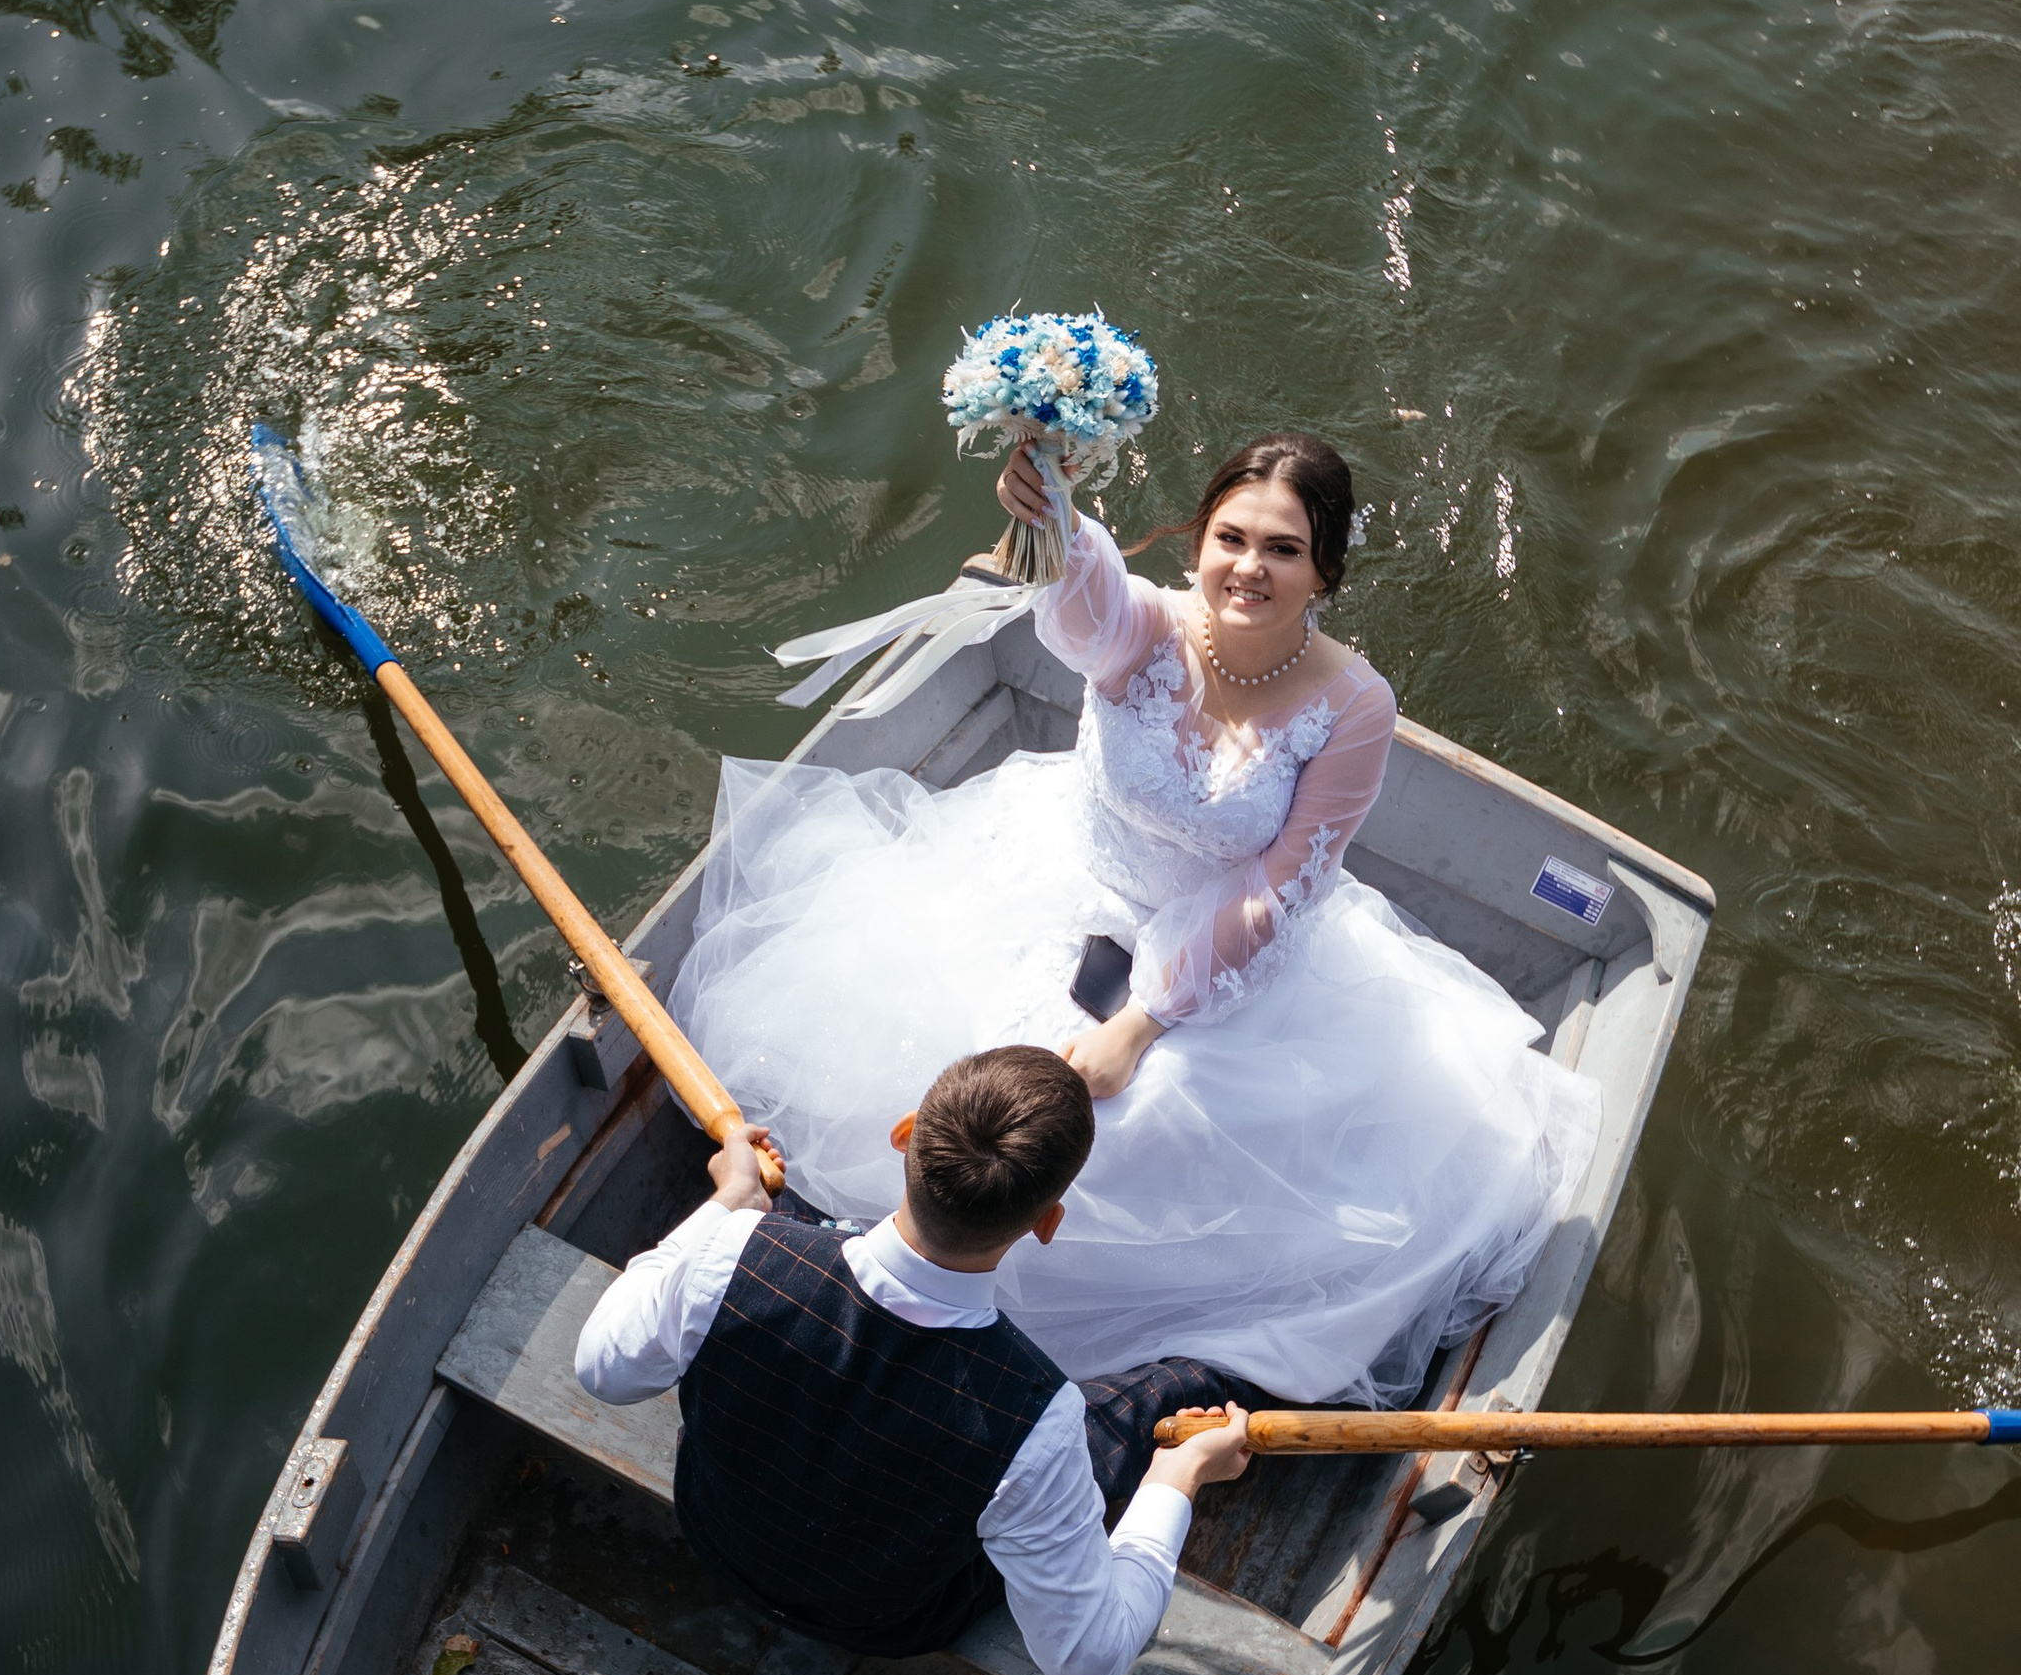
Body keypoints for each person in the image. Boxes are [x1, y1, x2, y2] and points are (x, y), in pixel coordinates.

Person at [665, 429, 1599, 1403]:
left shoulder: (1353, 704)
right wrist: (1046, 503)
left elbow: (1280, 887)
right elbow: (1077, 592)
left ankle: (991, 1324)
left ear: (1324, 570)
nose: (1248, 568)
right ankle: (907, 1269)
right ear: (1196, 542)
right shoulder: (1142, 625)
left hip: (1221, 950)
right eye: (1230, 538)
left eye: (1282, 549)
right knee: (952, 1073)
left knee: (1129, 1122)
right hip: (1056, 883)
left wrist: (1140, 1025)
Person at [572, 1043, 1253, 1675]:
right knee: (1172, 1390)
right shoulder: (1040, 1421)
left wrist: (726, 1207)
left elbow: (604, 1370)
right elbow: (1089, 1664)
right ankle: (1202, 1388)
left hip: (716, 1534)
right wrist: (1176, 1476)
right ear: (1047, 1223)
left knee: (801, 1224)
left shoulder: (731, 1251)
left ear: (904, 1137)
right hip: (886, 1617)